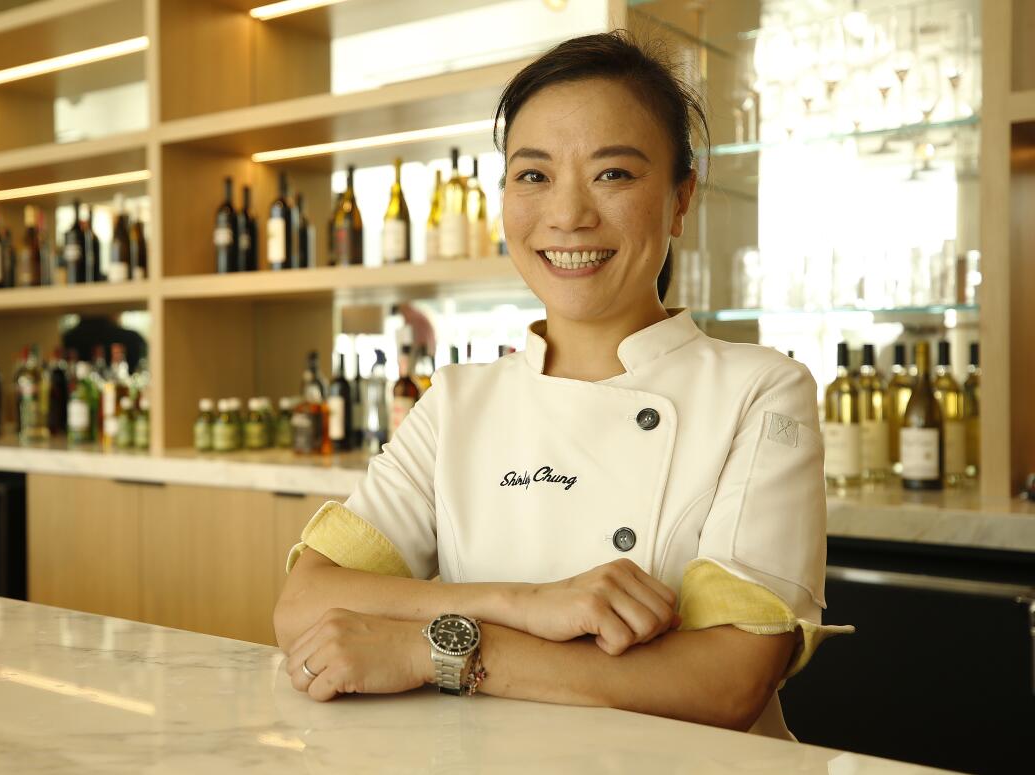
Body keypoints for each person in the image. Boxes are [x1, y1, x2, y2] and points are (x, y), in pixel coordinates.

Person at [274, 31, 851, 739]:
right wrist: (530, 602)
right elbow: (303, 601)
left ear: (680, 199)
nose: (569, 214)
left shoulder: (763, 390)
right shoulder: (457, 400)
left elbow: (728, 679)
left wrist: (443, 648)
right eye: (534, 175)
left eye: (613, 174)